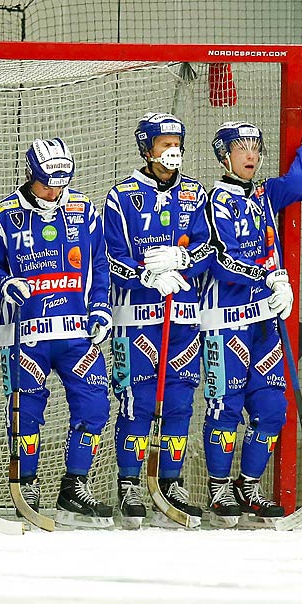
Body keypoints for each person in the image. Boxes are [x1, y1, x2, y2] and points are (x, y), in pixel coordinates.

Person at [0, 138, 115, 527]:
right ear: (29, 175)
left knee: (94, 409)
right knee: (25, 414)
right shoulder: (3, 214)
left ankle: (75, 487)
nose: (55, 192)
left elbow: (99, 265)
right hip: (25, 335)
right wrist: (3, 284)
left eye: (62, 184)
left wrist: (101, 309)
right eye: (47, 184)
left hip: (77, 334)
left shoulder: (84, 209)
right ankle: (27, 483)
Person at [199, 116, 302, 528]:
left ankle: (247, 486)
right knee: (226, 407)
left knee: (271, 409)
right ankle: (218, 488)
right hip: (224, 321)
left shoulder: (265, 195)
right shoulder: (211, 200)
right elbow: (219, 258)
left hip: (266, 321)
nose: (251, 153)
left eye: (256, 145)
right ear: (224, 155)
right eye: (241, 147)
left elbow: (299, 185)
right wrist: (268, 277)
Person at [103, 113, 213, 528]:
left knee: (180, 402)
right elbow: (109, 256)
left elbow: (209, 248)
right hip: (137, 318)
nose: (173, 149)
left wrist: (182, 258)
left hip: (183, 317)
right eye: (164, 141)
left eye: (178, 141)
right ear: (146, 147)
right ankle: (130, 482)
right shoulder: (121, 196)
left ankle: (170, 482)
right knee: (139, 402)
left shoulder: (194, 193)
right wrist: (146, 273)